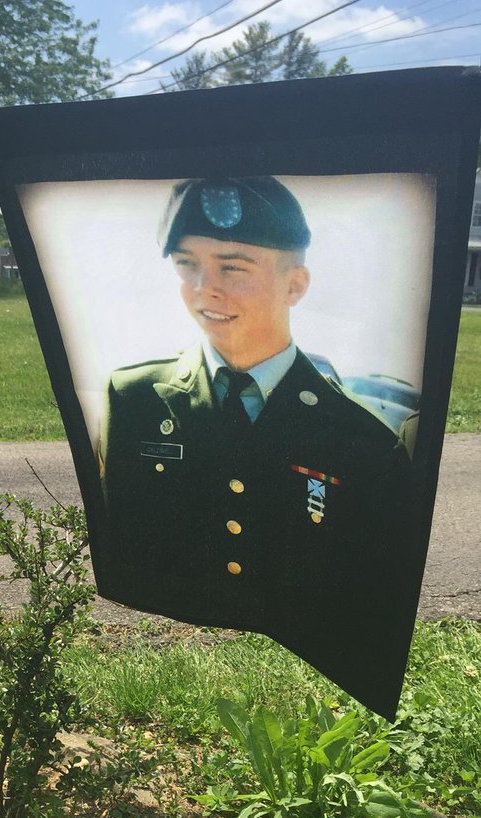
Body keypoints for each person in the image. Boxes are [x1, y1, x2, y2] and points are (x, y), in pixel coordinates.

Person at [96, 176, 416, 718]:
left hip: (301, 695)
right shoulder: (134, 402)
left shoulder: (362, 437)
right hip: (161, 680)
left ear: (296, 285)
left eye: (232, 267)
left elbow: (367, 599)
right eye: (186, 265)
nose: (204, 288)